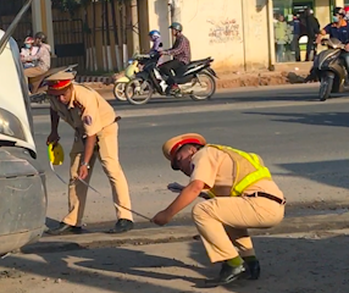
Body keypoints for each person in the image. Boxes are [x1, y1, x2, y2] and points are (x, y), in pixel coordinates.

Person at [152, 133, 285, 287]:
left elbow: (195, 187)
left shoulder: (204, 154)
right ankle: (250, 264)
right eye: (176, 167)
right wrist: (188, 191)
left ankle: (233, 264)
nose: (180, 167)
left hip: (260, 205)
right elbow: (217, 193)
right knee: (222, 212)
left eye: (179, 160)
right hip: (271, 206)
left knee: (202, 211)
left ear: (192, 150)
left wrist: (166, 215)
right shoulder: (224, 154)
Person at [44, 71, 134, 235]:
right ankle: (73, 221)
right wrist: (53, 132)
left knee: (111, 168)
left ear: (70, 88)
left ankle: (125, 217)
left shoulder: (85, 98)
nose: (61, 100)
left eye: (63, 95)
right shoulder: (54, 96)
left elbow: (92, 135)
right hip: (81, 131)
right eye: (56, 96)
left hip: (104, 129)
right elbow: (54, 110)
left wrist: (85, 163)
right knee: (75, 175)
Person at [159, 22, 191, 93]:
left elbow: (178, 50)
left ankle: (174, 85)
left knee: (165, 68)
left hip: (182, 60)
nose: (171, 32)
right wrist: (164, 51)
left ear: (177, 30)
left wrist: (166, 53)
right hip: (177, 59)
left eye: (172, 30)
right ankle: (170, 83)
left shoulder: (182, 39)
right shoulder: (178, 39)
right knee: (161, 67)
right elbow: (173, 49)